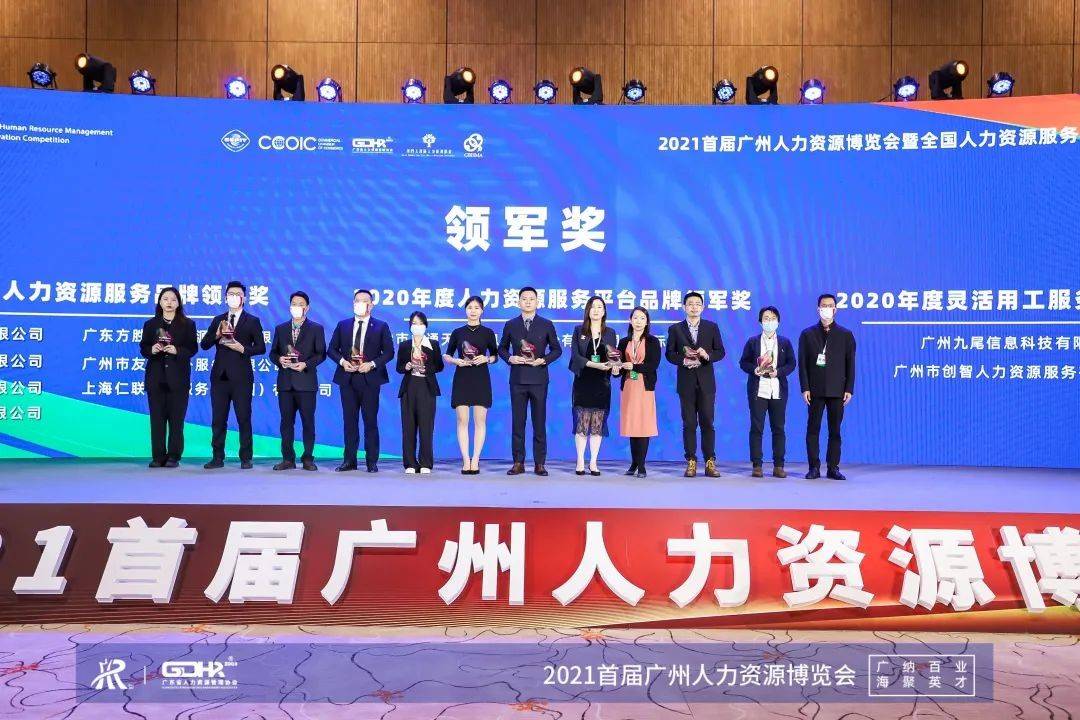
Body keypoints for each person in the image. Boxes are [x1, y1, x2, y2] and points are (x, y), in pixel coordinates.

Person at [326, 289, 394, 472]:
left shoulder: (381, 326)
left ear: (371, 305)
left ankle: (372, 461)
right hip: (348, 378)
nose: (360, 304)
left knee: (370, 421)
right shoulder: (343, 325)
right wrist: (343, 362)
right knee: (350, 421)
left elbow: (389, 352)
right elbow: (331, 349)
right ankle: (349, 460)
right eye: (357, 301)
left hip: (370, 379)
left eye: (364, 301)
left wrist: (371, 364)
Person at [201, 280, 266, 469]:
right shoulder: (218, 320)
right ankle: (217, 457)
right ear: (225, 297)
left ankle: (246, 457)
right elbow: (204, 345)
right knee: (218, 419)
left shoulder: (252, 321)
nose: (234, 297)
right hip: (220, 377)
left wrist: (242, 348)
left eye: (238, 294)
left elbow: (261, 348)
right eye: (231, 294)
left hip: (242, 378)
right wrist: (217, 335)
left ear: (244, 298)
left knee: (243, 417)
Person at [498, 286, 563, 476]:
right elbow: (501, 348)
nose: (527, 302)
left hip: (539, 379)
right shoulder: (511, 324)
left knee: (539, 422)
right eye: (524, 299)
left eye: (531, 299)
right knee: (518, 422)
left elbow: (557, 349)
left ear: (537, 302)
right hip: (517, 379)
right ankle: (518, 462)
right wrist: (510, 358)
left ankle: (540, 463)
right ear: (518, 302)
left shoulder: (546, 324)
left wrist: (544, 360)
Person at [665, 291, 726, 477]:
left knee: (707, 422)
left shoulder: (711, 327)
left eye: (697, 304)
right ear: (684, 307)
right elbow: (669, 354)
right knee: (689, 423)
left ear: (703, 307)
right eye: (690, 304)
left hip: (706, 383)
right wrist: (683, 360)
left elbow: (720, 352)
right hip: (686, 382)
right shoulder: (675, 329)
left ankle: (710, 462)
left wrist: (707, 355)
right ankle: (691, 461)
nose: (694, 307)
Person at [798, 293, 856, 480]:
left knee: (835, 430)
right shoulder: (807, 334)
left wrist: (849, 389)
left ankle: (833, 467)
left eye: (830, 306)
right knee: (813, 429)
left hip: (837, 390)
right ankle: (813, 467)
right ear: (818, 309)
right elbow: (803, 364)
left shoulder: (845, 335)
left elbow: (850, 364)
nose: (827, 309)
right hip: (814, 390)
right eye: (824, 305)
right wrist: (805, 387)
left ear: (835, 309)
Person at [139, 286, 198, 468]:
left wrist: (177, 350)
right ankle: (158, 456)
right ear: (160, 302)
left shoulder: (188, 324)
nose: (169, 302)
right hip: (156, 378)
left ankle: (174, 456)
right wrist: (152, 349)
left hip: (178, 379)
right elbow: (143, 347)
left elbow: (192, 348)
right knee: (157, 420)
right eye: (165, 299)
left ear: (178, 303)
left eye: (173, 299)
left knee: (176, 420)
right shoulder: (151, 324)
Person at [269, 291, 326, 472]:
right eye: (294, 304)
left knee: (308, 422)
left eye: (300, 304)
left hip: (306, 383)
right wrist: (279, 360)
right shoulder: (281, 328)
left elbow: (321, 354)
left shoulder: (316, 328)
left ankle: (308, 458)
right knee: (286, 423)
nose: (297, 307)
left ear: (307, 308)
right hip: (285, 383)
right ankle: (288, 459)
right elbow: (273, 353)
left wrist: (305, 364)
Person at [738, 306, 796, 478]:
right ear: (760, 322)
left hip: (777, 389)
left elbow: (792, 364)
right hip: (758, 389)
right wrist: (754, 369)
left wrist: (778, 372)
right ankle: (757, 465)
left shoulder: (785, 342)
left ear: (778, 322)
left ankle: (779, 466)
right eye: (766, 318)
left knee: (778, 428)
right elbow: (743, 363)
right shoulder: (752, 342)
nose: (769, 321)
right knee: (757, 428)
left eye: (772, 318)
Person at [444, 296, 499, 474]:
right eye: (470, 307)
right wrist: (456, 361)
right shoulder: (458, 332)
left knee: (480, 421)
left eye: (476, 307)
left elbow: (496, 355)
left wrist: (487, 359)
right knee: (462, 420)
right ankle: (465, 460)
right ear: (465, 310)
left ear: (482, 311)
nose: (473, 311)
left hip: (481, 378)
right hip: (462, 377)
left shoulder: (488, 332)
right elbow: (447, 355)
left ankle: (475, 459)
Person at [567, 296, 619, 475]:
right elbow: (575, 357)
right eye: (593, 307)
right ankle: (580, 461)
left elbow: (613, 357)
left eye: (600, 307)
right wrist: (594, 365)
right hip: (583, 381)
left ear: (604, 312)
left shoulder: (610, 333)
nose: (596, 310)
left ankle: (594, 462)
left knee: (597, 425)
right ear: (587, 311)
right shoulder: (579, 330)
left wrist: (615, 368)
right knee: (582, 424)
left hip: (602, 383)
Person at [396, 311, 445, 474]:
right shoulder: (404, 345)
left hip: (426, 387)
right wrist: (406, 366)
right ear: (410, 326)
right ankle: (410, 463)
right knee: (408, 427)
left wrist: (427, 368)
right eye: (414, 323)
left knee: (426, 426)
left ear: (426, 326)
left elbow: (439, 366)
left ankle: (425, 463)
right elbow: (399, 368)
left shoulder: (433, 344)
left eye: (420, 323)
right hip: (409, 387)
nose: (417, 326)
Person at [617, 306, 660, 478]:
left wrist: (633, 366)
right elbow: (620, 365)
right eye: (635, 318)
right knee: (632, 425)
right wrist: (616, 370)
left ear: (647, 322)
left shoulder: (653, 341)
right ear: (630, 320)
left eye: (642, 318)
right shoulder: (623, 342)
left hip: (644, 386)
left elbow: (653, 365)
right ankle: (634, 462)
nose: (638, 321)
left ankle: (641, 465)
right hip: (629, 386)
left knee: (643, 425)